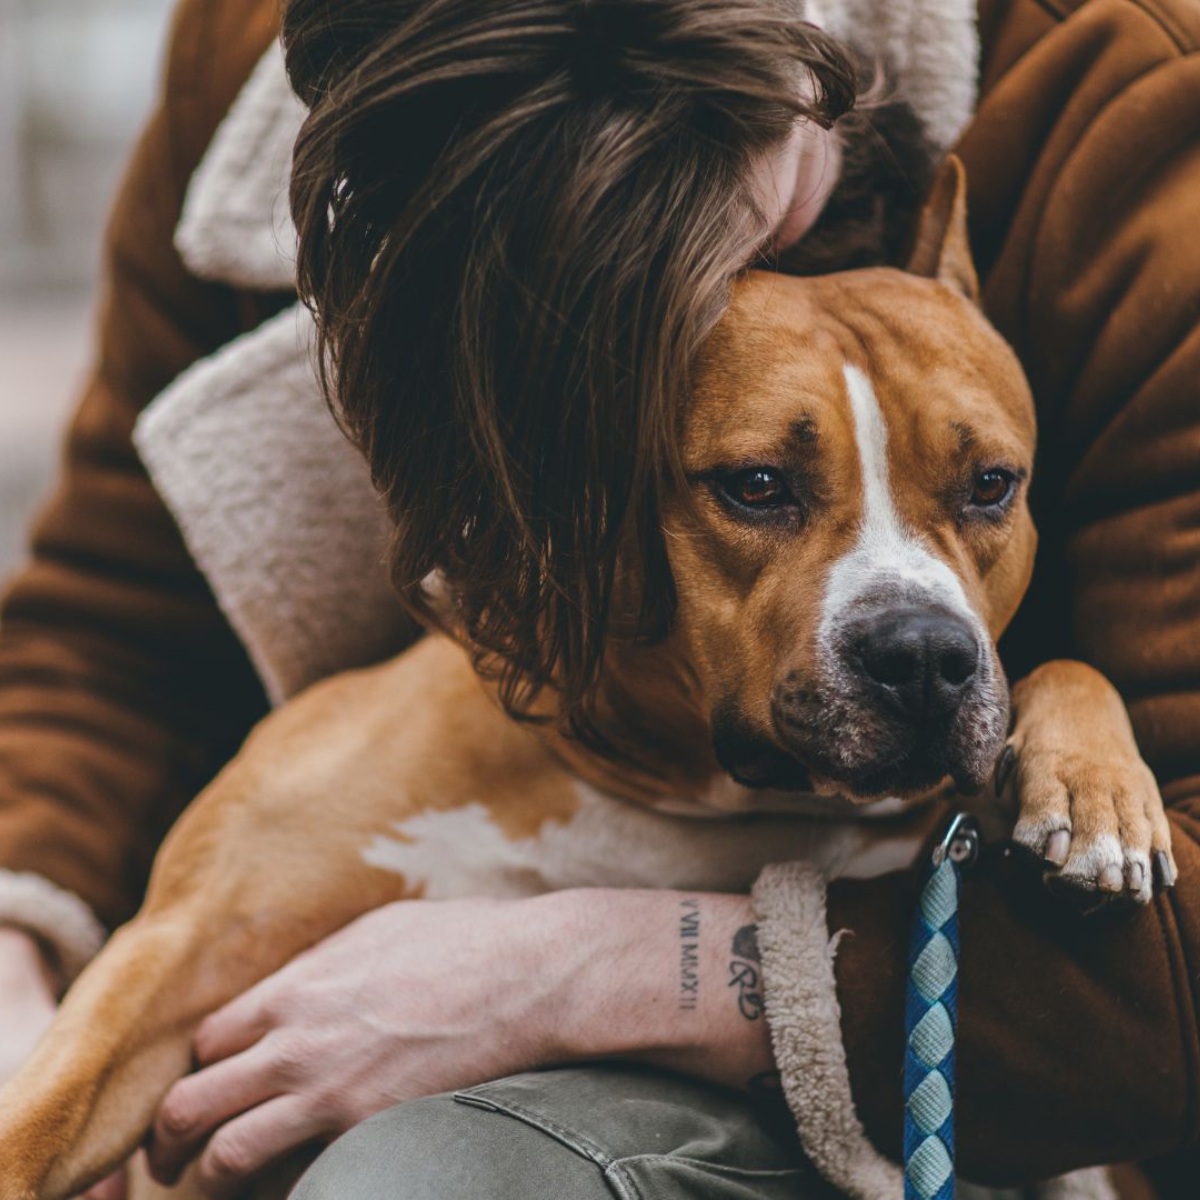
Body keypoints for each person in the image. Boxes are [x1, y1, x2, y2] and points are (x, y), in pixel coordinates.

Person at [1, 0, 1199, 1197]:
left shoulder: (1135, 100)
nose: (737, 271)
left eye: (983, 488)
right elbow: (117, 623)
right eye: (762, 488)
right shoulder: (252, 65)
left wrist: (591, 973)